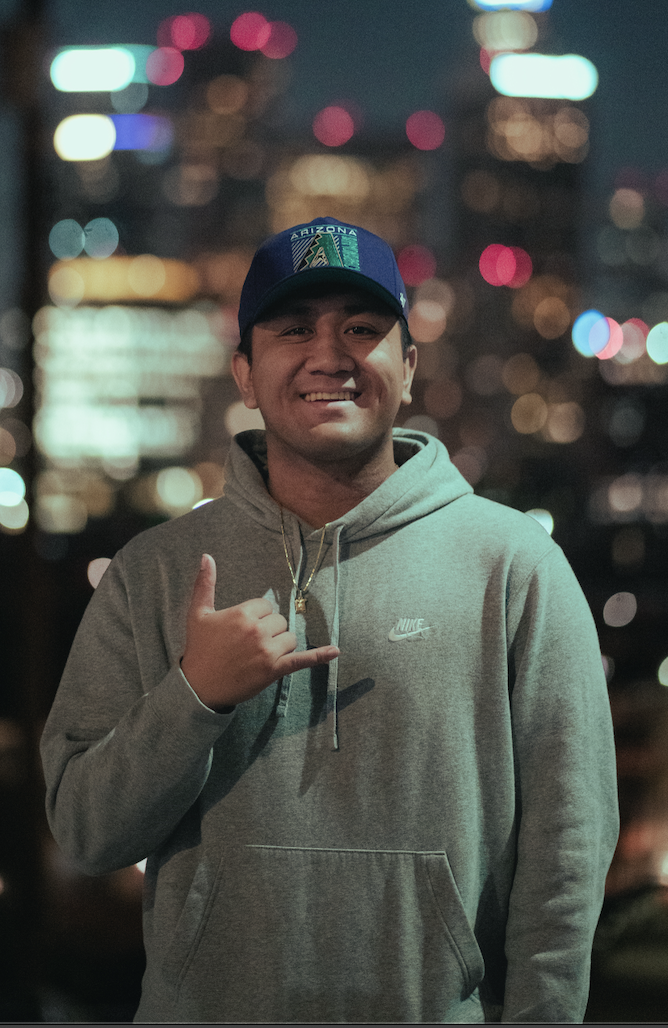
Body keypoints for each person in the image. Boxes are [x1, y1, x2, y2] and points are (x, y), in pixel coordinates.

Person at [41, 216, 619, 1024]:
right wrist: (196, 697)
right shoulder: (156, 571)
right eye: (292, 329)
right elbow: (85, 832)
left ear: (409, 367)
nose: (329, 354)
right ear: (245, 373)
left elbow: (569, 850)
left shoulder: (513, 565)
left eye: (362, 327)